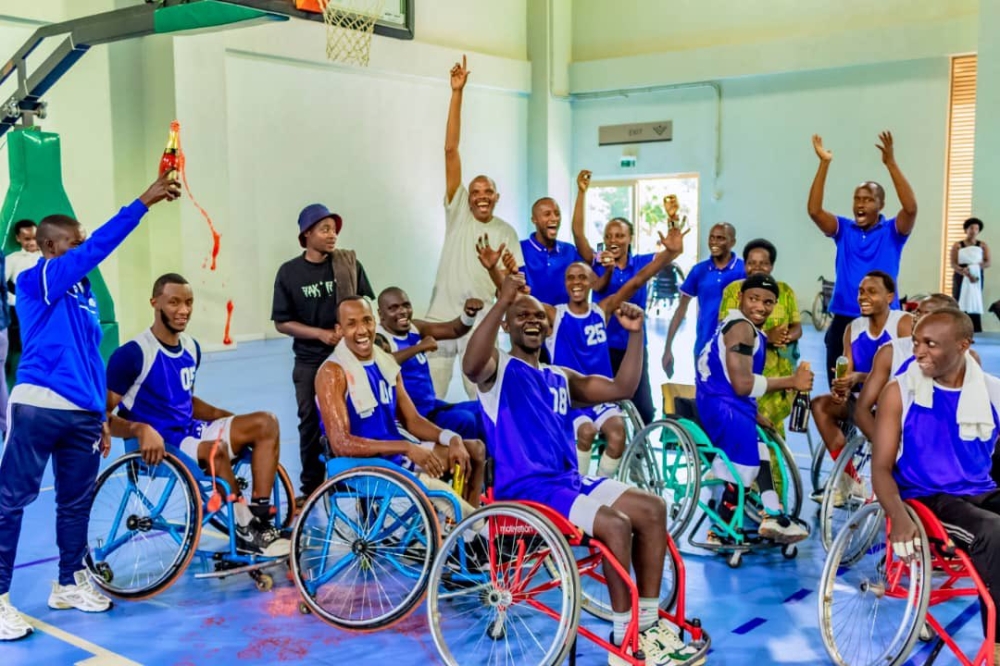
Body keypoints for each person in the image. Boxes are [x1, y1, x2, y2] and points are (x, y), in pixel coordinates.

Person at [463, 273, 701, 665]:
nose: (533, 321)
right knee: (615, 524)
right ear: (506, 322)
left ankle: (647, 625)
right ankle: (625, 640)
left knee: (653, 508)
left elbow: (622, 389)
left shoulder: (559, 376)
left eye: (539, 316)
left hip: (567, 482)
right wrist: (501, 301)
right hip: (527, 490)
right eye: (522, 316)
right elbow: (472, 364)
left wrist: (637, 334)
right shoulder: (497, 370)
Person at [0, 173, 180, 641]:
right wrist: (144, 202)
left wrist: (100, 416)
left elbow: (90, 356)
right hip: (39, 405)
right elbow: (96, 247)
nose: (82, 247)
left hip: (81, 414)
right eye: (74, 242)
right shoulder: (38, 277)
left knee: (75, 502)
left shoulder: (82, 295)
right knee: (10, 502)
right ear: (52, 247)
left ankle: (66, 583)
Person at [106, 274, 290, 557]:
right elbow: (101, 417)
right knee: (216, 450)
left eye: (189, 302)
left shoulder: (191, 347)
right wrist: (139, 430)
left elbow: (184, 399)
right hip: (159, 444)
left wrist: (227, 419)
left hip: (189, 431)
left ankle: (260, 518)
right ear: (155, 303)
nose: (184, 310)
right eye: (174, 302)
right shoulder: (133, 354)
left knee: (265, 423)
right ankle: (244, 528)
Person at [871, 309, 1000, 664]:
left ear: (963, 346)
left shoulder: (991, 391)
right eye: (916, 342)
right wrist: (897, 515)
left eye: (930, 344)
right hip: (928, 498)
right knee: (994, 533)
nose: (919, 352)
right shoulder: (900, 391)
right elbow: (881, 468)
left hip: (979, 489)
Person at [315, 297, 486, 510]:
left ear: (374, 322)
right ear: (339, 330)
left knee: (475, 450)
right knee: (448, 485)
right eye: (352, 324)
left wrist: (452, 438)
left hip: (392, 453)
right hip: (362, 463)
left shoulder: (385, 362)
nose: (361, 330)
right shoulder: (333, 372)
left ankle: (466, 534)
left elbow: (412, 420)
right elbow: (341, 444)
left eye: (366, 321)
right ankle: (473, 527)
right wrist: (407, 447)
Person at [547, 220, 685, 477]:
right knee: (586, 432)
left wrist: (671, 254)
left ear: (592, 282)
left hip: (605, 386)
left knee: (619, 432)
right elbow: (524, 301)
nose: (577, 282)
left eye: (582, 277)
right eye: (571, 277)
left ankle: (601, 484)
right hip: (574, 396)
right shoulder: (556, 314)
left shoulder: (603, 309)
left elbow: (636, 282)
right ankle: (578, 485)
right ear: (565, 283)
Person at [424, 54, 522, 399]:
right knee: (429, 397)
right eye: (475, 191)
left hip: (481, 324)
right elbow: (451, 150)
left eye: (487, 192)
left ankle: (486, 452)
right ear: (467, 198)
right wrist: (457, 92)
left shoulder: (507, 233)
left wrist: (498, 268)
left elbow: (514, 285)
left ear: (497, 197)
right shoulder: (458, 215)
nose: (480, 196)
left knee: (480, 396)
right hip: (441, 318)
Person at [695, 273, 813, 544]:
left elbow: (731, 376)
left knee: (761, 451)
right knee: (741, 472)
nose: (761, 306)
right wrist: (792, 381)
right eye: (754, 298)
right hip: (722, 404)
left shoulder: (746, 327)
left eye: (768, 302)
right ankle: (721, 530)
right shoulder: (741, 329)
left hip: (728, 401)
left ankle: (773, 511)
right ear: (740, 298)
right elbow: (742, 384)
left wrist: (755, 414)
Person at [272, 203, 374, 504]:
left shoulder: (348, 264)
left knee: (357, 418)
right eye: (325, 229)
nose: (332, 236)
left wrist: (354, 329)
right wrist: (320, 334)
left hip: (349, 357)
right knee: (309, 422)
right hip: (310, 359)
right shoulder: (289, 273)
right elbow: (282, 322)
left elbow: (366, 301)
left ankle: (359, 481)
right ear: (307, 234)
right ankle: (313, 487)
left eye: (334, 229)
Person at [808, 132, 918, 385]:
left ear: (880, 204)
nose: (860, 204)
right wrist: (824, 163)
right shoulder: (844, 230)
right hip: (844, 318)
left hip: (884, 319)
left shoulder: (893, 231)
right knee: (841, 386)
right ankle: (845, 425)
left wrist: (890, 163)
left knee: (888, 384)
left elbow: (911, 208)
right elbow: (814, 211)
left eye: (868, 199)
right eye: (857, 199)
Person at [571, 169, 681, 424]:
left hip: (633, 345)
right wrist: (581, 192)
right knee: (601, 408)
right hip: (601, 345)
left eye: (619, 235)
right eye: (608, 236)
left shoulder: (641, 262)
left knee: (644, 409)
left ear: (630, 238)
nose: (613, 240)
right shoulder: (597, 262)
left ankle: (638, 458)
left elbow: (670, 253)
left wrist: (673, 221)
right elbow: (578, 235)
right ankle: (610, 453)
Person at [810, 271, 912, 503]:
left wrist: (859, 377)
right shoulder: (852, 328)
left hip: (895, 407)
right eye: (861, 291)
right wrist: (842, 386)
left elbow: (907, 376)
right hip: (862, 404)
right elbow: (847, 367)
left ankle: (892, 472)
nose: (863, 296)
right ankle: (850, 481)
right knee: (820, 406)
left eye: (872, 291)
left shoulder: (902, 322)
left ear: (889, 296)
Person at [375, 286, 485, 440]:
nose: (402, 311)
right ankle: (465, 462)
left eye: (406, 305)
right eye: (393, 308)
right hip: (411, 415)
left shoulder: (414, 327)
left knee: (482, 410)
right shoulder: (379, 337)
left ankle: (489, 461)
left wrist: (468, 315)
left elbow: (453, 330)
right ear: (381, 314)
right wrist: (419, 347)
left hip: (431, 405)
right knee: (465, 420)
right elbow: (383, 363)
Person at [717, 239, 801, 437]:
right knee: (748, 426)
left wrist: (786, 337)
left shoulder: (785, 291)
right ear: (745, 264)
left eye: (763, 262)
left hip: (778, 370)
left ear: (771, 265)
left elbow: (797, 327)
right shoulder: (734, 290)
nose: (757, 267)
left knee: (772, 429)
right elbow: (726, 327)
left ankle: (773, 467)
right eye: (751, 262)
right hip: (745, 366)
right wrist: (766, 338)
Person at [854, 294, 963, 442]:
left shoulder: (963, 359)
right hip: (900, 435)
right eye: (916, 312)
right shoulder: (891, 352)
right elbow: (862, 410)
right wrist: (887, 448)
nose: (916, 318)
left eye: (926, 314)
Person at [663, 222, 745, 381]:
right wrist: (668, 348)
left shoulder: (743, 270)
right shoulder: (698, 271)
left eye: (720, 238)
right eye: (712, 238)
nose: (714, 242)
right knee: (704, 398)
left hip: (736, 349)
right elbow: (681, 309)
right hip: (704, 346)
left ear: (732, 242)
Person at [519, 197, 584, 306]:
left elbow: (589, 281)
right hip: (532, 319)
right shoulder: (519, 248)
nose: (554, 218)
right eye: (547, 214)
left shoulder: (570, 250)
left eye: (557, 213)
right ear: (534, 219)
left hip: (563, 320)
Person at [951, 217, 990, 332]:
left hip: (976, 274)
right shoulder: (958, 245)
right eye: (971, 228)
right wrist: (964, 271)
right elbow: (953, 263)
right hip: (961, 275)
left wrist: (975, 268)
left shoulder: (982, 245)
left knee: (975, 299)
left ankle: (975, 327)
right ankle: (959, 328)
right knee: (958, 298)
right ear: (966, 229)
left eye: (976, 228)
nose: (973, 231)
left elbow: (987, 262)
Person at [5, 219, 40, 306]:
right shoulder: (12, 259)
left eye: (35, 238)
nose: (32, 243)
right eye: (27, 239)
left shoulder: (49, 256)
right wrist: (17, 301)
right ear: (18, 238)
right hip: (22, 306)